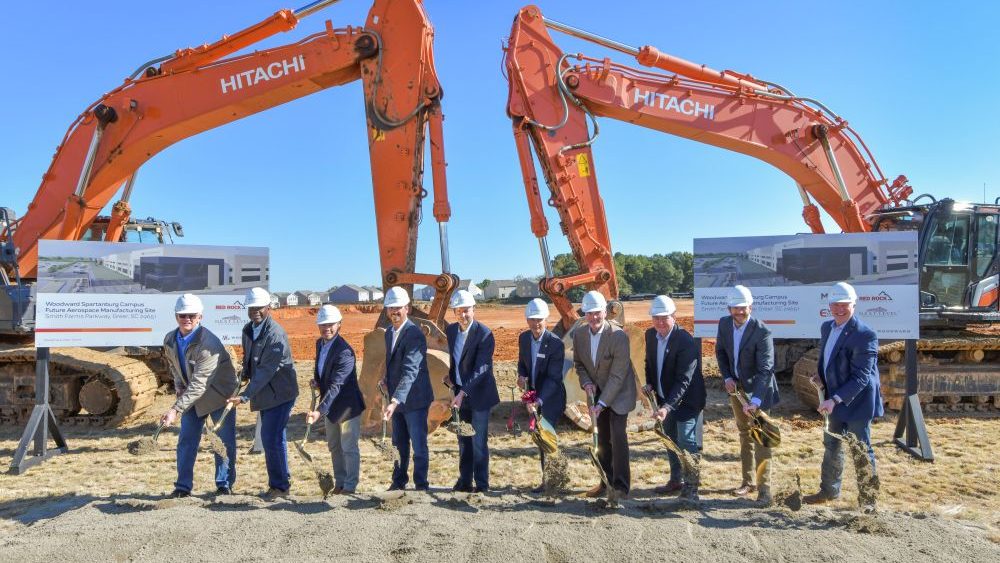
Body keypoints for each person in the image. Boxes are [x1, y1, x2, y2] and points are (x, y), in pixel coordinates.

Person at [804, 282, 883, 509]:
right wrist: (821, 378)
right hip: (834, 400)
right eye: (835, 304)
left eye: (844, 305)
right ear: (829, 305)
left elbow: (861, 377)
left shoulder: (865, 334)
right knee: (832, 445)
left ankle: (868, 501)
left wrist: (835, 399)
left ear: (854, 305)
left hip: (856, 401)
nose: (840, 309)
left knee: (860, 449)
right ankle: (828, 491)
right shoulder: (827, 327)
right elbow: (828, 361)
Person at [160, 293, 239, 498]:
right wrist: (178, 387)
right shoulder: (170, 339)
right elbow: (175, 367)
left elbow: (199, 384)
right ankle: (183, 487)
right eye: (182, 315)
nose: (187, 319)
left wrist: (175, 409)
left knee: (223, 441)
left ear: (200, 317)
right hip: (192, 396)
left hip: (220, 396)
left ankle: (224, 485)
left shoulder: (208, 344)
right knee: (186, 440)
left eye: (192, 315)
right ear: (176, 316)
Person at [226, 287, 299, 499]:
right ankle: (281, 482)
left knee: (270, 437)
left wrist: (246, 395)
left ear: (269, 307)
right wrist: (243, 374)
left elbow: (267, 369)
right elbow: (250, 360)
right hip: (265, 393)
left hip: (281, 393)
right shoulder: (248, 330)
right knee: (275, 437)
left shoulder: (275, 334)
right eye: (251, 307)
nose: (255, 311)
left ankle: (279, 487)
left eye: (259, 307)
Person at [715, 285, 779, 505]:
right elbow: (721, 352)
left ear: (751, 307)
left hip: (758, 391)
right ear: (729, 308)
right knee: (744, 434)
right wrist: (727, 377)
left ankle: (765, 491)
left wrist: (755, 401)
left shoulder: (762, 331)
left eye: (744, 308)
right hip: (736, 390)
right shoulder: (724, 324)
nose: (740, 312)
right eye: (736, 308)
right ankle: (748, 481)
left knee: (761, 438)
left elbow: (765, 369)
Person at [574, 290, 636, 500]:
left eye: (597, 312)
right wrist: (586, 382)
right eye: (589, 313)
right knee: (602, 440)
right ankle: (605, 481)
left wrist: (601, 403)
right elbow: (579, 364)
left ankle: (621, 487)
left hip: (619, 394)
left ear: (604, 312)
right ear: (584, 314)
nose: (594, 317)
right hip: (598, 392)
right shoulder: (580, 335)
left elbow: (618, 376)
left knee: (618, 437)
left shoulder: (617, 336)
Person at [643, 295, 705, 500]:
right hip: (664, 399)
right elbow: (650, 363)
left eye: (665, 317)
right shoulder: (650, 335)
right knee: (669, 439)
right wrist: (650, 382)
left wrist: (667, 407)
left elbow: (684, 381)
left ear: (674, 317)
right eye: (657, 317)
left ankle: (692, 485)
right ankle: (676, 479)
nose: (660, 322)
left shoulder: (685, 341)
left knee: (686, 439)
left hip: (687, 400)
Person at [305, 304, 366, 494]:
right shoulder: (319, 344)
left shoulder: (345, 352)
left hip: (347, 408)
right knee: (334, 446)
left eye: (331, 324)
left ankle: (350, 486)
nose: (327, 328)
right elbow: (326, 375)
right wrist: (318, 382)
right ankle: (339, 483)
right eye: (323, 325)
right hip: (330, 407)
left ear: (340, 324)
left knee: (348, 447)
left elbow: (336, 386)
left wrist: (319, 411)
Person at [381, 286, 435, 491]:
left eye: (398, 308)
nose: (394, 311)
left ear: (407, 309)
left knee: (418, 444)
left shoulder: (414, 334)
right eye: (390, 308)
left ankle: (421, 484)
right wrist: (386, 379)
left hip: (416, 399)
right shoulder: (389, 333)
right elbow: (393, 363)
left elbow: (411, 370)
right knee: (398, 444)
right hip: (397, 398)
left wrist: (394, 401)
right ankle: (398, 482)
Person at [445, 290, 500, 493]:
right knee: (463, 440)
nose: (463, 314)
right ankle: (465, 481)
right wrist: (451, 378)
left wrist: (462, 393)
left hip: (479, 396)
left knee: (478, 442)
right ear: (454, 312)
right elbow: (456, 360)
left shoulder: (484, 334)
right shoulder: (451, 332)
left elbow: (481, 369)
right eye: (459, 311)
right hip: (460, 394)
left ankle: (482, 485)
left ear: (473, 309)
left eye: (466, 310)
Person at [517, 298, 566, 493]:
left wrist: (539, 401)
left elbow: (554, 378)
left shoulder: (555, 344)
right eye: (532, 319)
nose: (536, 324)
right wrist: (521, 375)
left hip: (551, 398)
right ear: (527, 320)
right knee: (540, 438)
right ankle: (547, 480)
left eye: (539, 320)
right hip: (533, 397)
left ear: (546, 319)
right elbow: (523, 362)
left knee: (547, 436)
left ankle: (554, 481)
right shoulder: (523, 338)